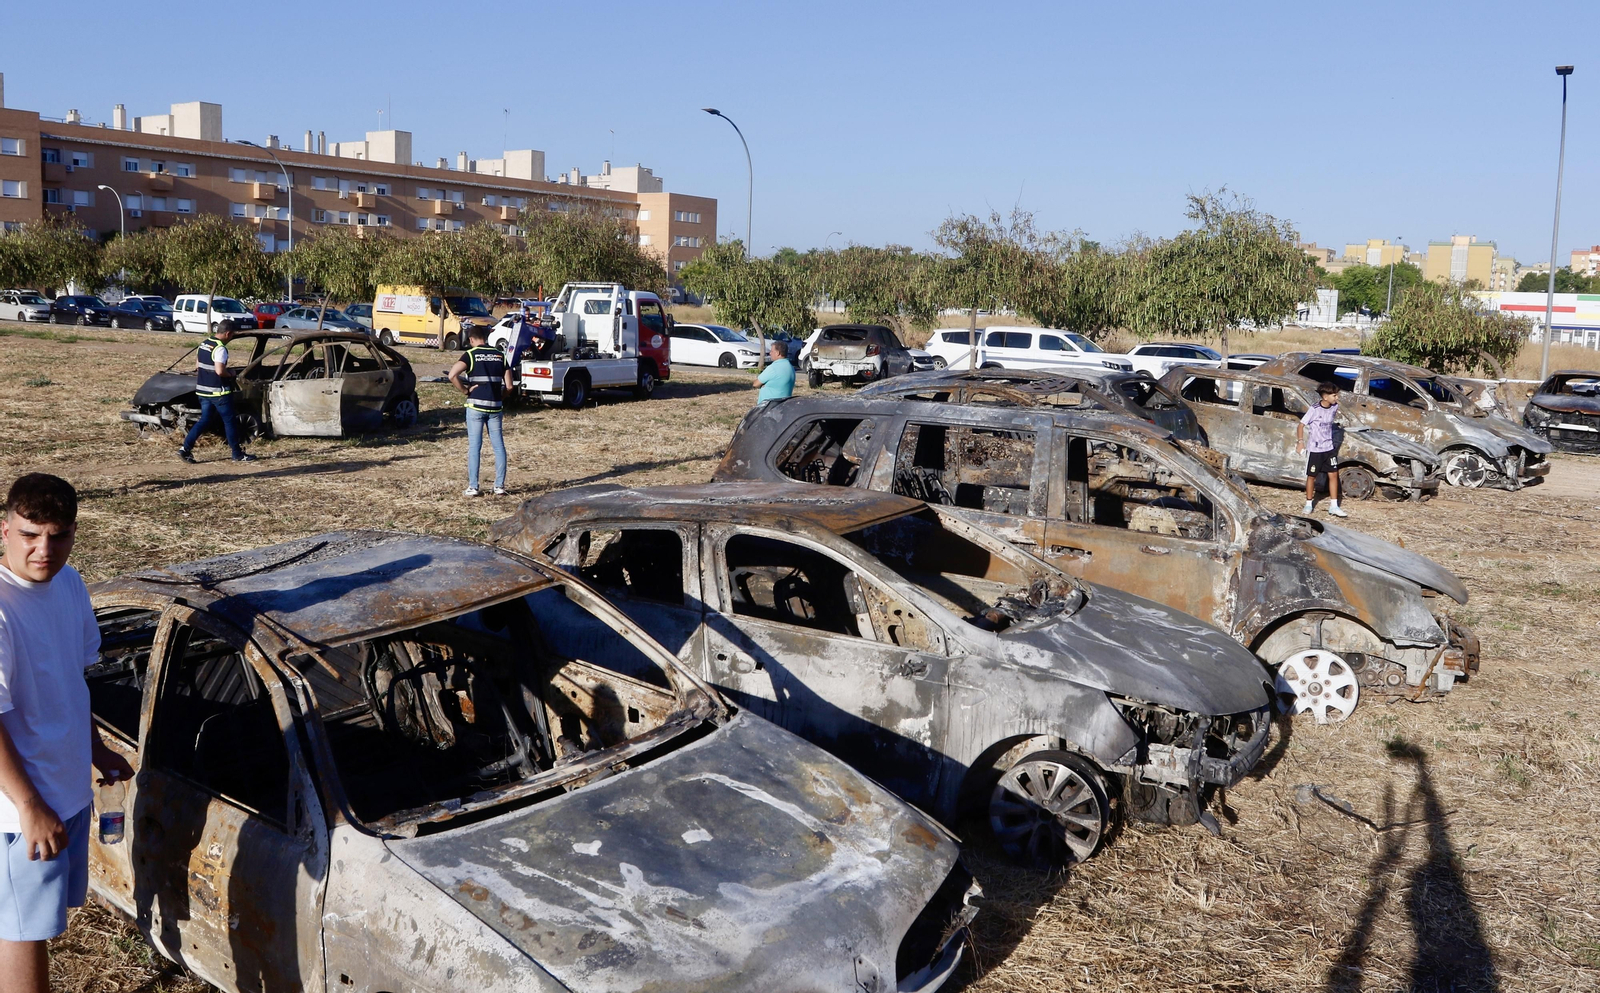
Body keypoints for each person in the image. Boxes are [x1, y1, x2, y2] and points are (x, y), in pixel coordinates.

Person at [0, 474, 133, 993]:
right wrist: (30, 806)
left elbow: (72, 679)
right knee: (21, 933)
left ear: (74, 533)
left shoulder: (70, 584)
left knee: (37, 922)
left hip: (66, 788)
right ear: (4, 530)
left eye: (57, 536)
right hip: (19, 809)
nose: (43, 549)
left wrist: (96, 748)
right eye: (30, 534)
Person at [448, 325, 513, 497]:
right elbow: (510, 386)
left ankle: (473, 487)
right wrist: (501, 397)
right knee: (499, 447)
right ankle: (499, 486)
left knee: (475, 447)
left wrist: (465, 391)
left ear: (471, 339)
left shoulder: (470, 354)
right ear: (486, 337)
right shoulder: (500, 355)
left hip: (475, 407)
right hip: (495, 407)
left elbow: (452, 375)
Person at [178, 327, 255, 464]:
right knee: (230, 421)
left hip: (203, 391)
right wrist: (231, 373)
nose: (230, 338)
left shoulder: (204, 344)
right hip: (219, 393)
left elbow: (197, 365)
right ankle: (237, 454)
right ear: (228, 333)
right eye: (231, 336)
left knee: (204, 420)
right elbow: (219, 371)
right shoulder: (220, 348)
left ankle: (185, 448)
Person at [1298, 381, 1348, 517]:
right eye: (1334, 395)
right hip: (1315, 449)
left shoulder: (1334, 407)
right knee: (1311, 476)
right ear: (1325, 397)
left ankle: (1334, 506)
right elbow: (1301, 425)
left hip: (1329, 448)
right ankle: (1308, 504)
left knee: (1333, 475)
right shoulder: (1314, 409)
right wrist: (1300, 442)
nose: (1337, 398)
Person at [752, 339, 794, 404]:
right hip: (784, 405)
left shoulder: (773, 368)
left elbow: (755, 384)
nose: (770, 353)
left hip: (768, 407)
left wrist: (762, 384)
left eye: (772, 351)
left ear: (778, 353)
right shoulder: (790, 367)